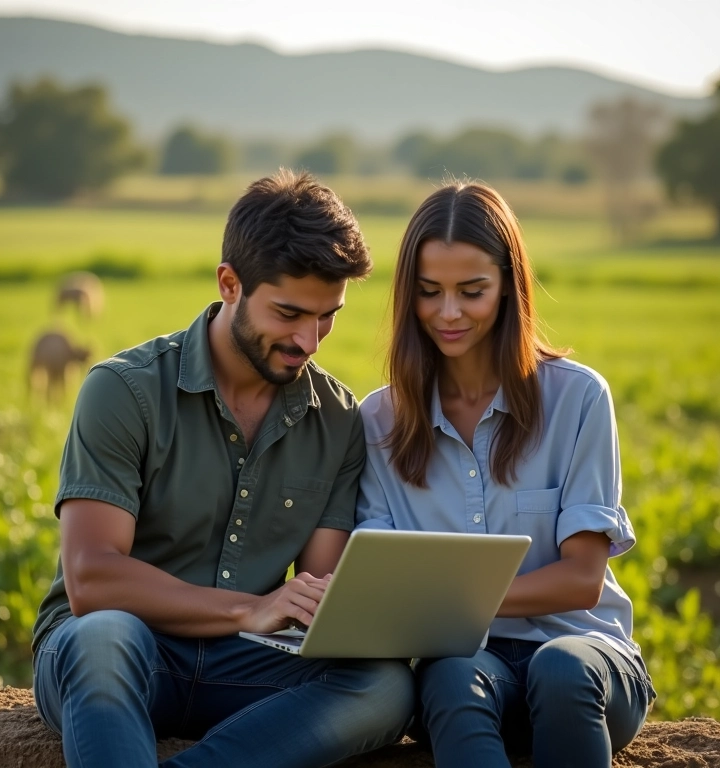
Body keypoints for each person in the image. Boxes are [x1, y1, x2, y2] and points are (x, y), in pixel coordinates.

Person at [32, 169, 414, 768]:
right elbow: (93, 581)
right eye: (288, 313)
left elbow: (319, 598)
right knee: (104, 638)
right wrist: (245, 609)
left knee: (384, 683)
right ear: (229, 283)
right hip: (121, 654)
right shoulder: (123, 391)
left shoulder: (338, 420)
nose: (309, 340)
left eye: (327, 317)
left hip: (244, 663)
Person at [355, 180, 656, 768]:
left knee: (560, 668)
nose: (448, 312)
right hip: (473, 670)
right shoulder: (379, 420)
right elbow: (384, 583)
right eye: (428, 292)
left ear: (509, 287)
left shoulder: (578, 398)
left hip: (586, 662)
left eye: (472, 291)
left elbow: (581, 581)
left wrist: (445, 604)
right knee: (449, 674)